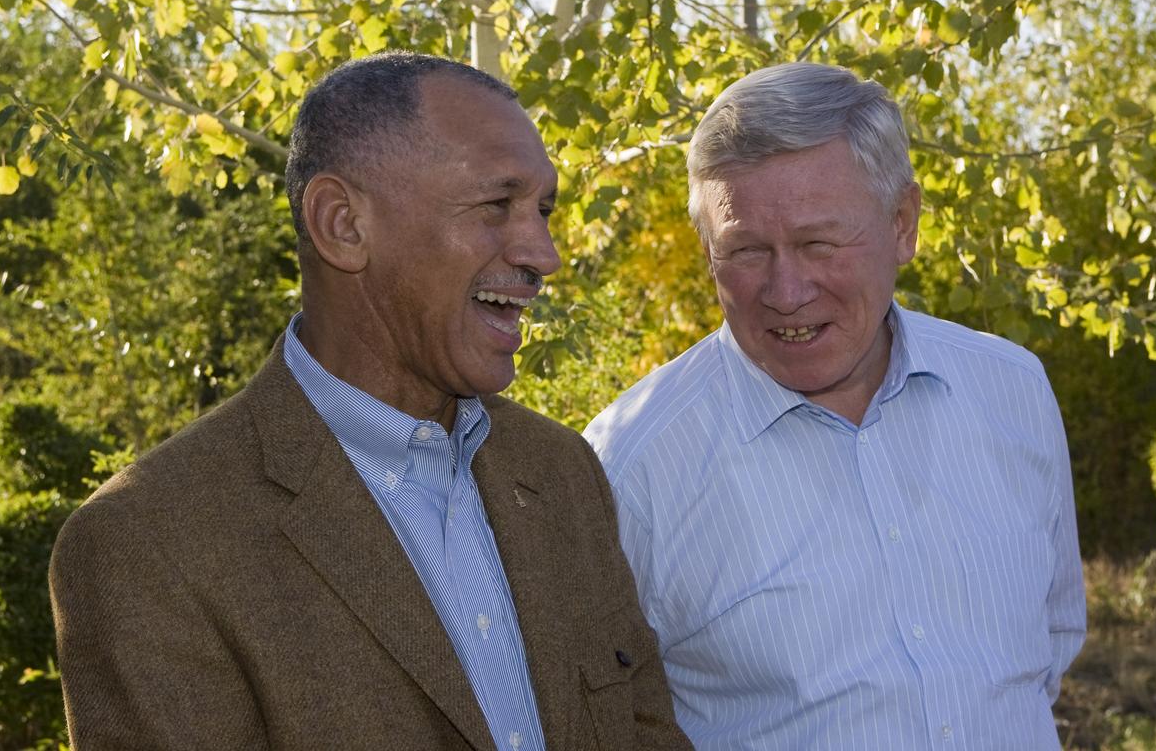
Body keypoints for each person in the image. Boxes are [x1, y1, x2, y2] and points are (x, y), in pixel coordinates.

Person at [49, 52, 691, 751]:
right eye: (496, 205)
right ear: (343, 224)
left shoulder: (560, 471)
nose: (544, 253)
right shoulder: (149, 544)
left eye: (542, 210)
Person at [584, 61, 1086, 750]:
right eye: (746, 251)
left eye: (819, 242)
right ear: (707, 250)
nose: (786, 291)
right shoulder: (627, 465)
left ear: (903, 224)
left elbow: (1046, 648)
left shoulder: (1011, 390)